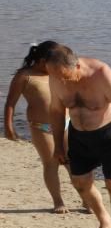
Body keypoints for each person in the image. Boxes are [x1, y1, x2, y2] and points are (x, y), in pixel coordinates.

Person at [44, 42, 111, 228]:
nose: (60, 81)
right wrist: (58, 145)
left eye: (64, 76)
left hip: (110, 135)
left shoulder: (101, 73)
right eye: (54, 76)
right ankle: (105, 220)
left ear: (77, 66)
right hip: (79, 136)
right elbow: (57, 112)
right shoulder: (55, 76)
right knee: (80, 183)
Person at [4, 43, 72, 213]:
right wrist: (8, 127)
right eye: (54, 62)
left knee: (73, 163)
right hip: (41, 127)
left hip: (66, 124)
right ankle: (58, 201)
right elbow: (10, 103)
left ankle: (87, 200)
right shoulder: (25, 76)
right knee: (51, 163)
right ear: (42, 61)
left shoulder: (57, 73)